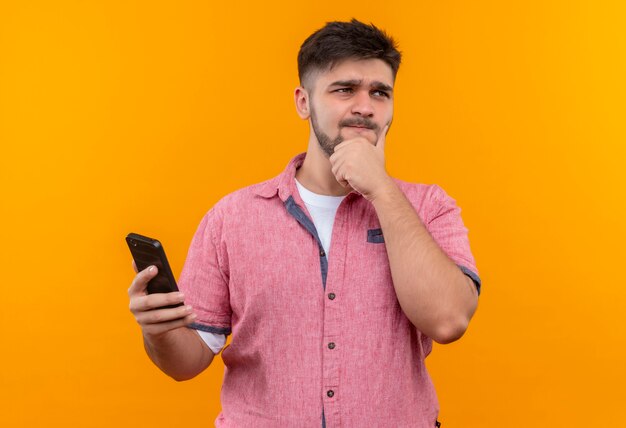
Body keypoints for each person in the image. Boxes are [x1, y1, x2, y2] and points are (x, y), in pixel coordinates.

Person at [128, 19, 481, 428]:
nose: (365, 106)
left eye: (380, 93)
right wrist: (157, 331)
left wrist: (381, 189)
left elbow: (449, 320)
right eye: (344, 89)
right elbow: (186, 363)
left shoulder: (429, 207)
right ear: (303, 102)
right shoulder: (232, 218)